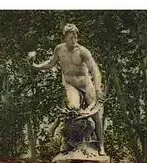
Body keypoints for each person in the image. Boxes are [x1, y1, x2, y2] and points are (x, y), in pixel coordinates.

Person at [33, 23, 106, 155]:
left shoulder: (83, 51)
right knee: (72, 110)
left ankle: (101, 145)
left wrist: (98, 88)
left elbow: (95, 69)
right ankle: (68, 142)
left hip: (85, 84)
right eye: (71, 37)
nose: (74, 40)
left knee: (95, 114)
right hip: (70, 84)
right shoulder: (59, 50)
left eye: (76, 37)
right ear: (65, 37)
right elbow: (50, 63)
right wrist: (37, 67)